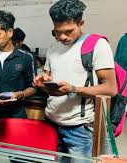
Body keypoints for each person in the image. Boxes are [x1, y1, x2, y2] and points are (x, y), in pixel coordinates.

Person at [33, 0, 117, 161]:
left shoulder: (97, 45)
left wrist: (74, 88)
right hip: (51, 123)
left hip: (80, 129)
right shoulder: (53, 48)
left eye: (68, 31)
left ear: (81, 23)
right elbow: (47, 80)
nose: (62, 37)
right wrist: (41, 83)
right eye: (57, 32)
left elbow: (110, 88)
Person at [0, 10, 36, 143]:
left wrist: (19, 95)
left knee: (13, 158)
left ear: (9, 32)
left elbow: (33, 87)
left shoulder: (26, 58)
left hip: (15, 120)